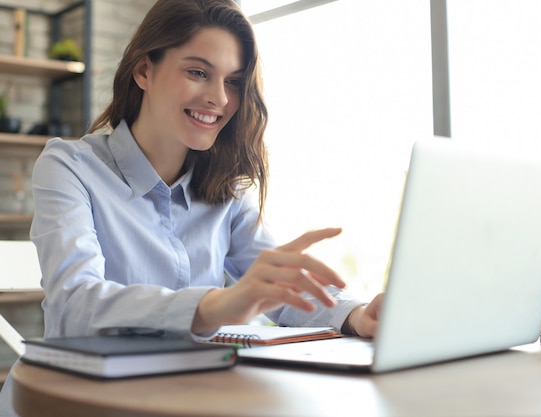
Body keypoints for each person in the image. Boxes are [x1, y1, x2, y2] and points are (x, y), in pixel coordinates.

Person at [0, 0, 382, 414]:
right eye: (198, 72)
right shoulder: (69, 166)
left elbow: (281, 291)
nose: (219, 98)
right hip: (74, 402)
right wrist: (216, 305)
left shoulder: (227, 188)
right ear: (144, 71)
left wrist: (358, 314)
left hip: (187, 397)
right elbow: (76, 305)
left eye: (234, 81)